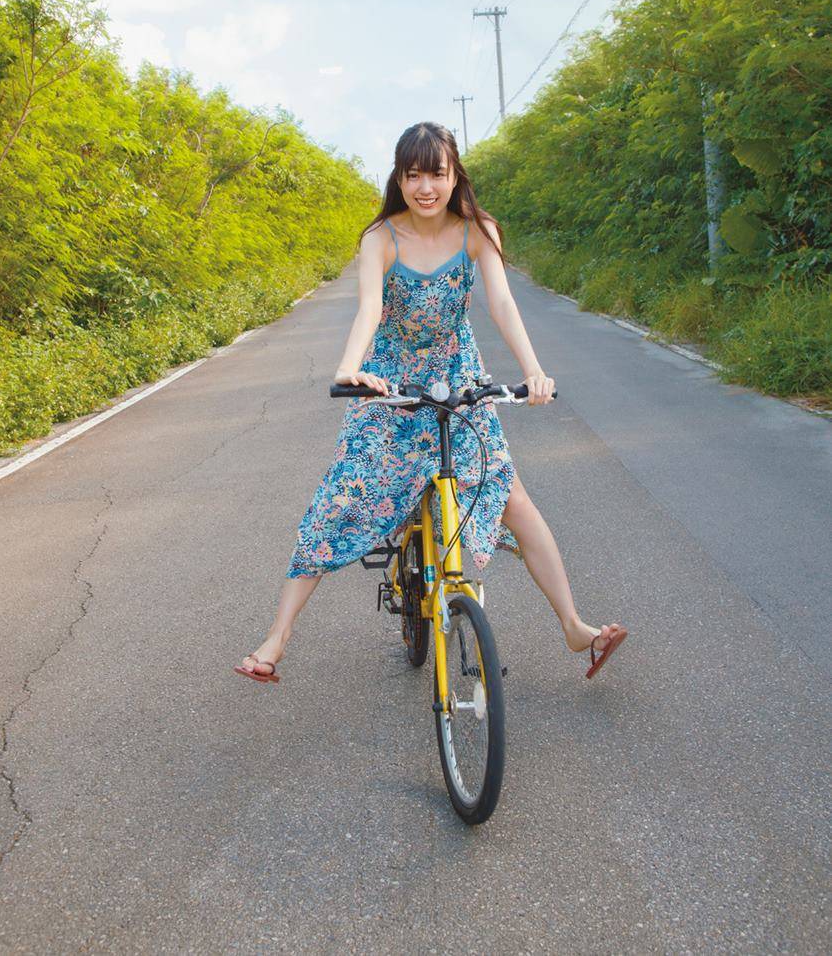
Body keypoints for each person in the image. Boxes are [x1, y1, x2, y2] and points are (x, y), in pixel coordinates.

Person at [235, 121, 626, 684]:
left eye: (436, 174)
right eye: (413, 174)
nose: (425, 187)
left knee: (510, 494)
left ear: (454, 176)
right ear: (399, 178)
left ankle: (574, 626)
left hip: (456, 378)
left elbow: (502, 304)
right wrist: (349, 367)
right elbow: (370, 308)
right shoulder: (381, 237)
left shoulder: (477, 231)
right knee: (341, 496)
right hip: (389, 384)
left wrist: (534, 372)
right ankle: (278, 635)